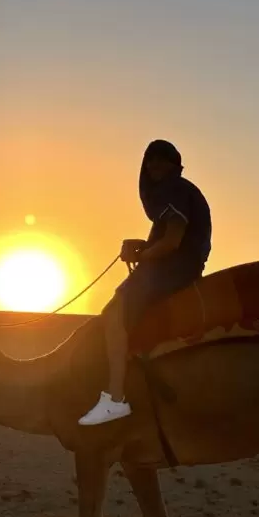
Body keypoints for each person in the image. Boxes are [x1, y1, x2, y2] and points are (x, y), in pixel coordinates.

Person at [78, 140, 212, 426]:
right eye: (151, 160)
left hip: (176, 268)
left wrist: (144, 255)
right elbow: (169, 240)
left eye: (163, 161)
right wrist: (142, 248)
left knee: (113, 315)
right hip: (176, 265)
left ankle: (115, 398)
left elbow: (173, 243)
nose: (155, 166)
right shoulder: (176, 192)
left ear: (175, 166)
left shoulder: (174, 191)